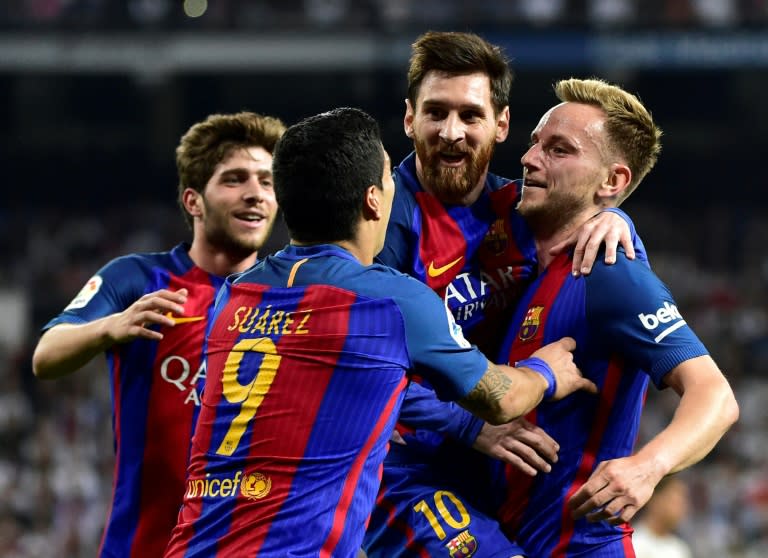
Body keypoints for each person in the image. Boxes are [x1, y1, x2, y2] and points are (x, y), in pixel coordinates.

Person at [162, 107, 597, 558]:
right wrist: (545, 372)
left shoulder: (231, 297)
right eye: (391, 178)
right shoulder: (390, 302)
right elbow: (501, 397)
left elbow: (338, 374)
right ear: (373, 199)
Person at [364, 31, 644, 557]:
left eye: (470, 115)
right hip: (407, 471)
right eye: (435, 113)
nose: (451, 133)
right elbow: (361, 363)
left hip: (505, 469)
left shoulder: (523, 209)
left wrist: (615, 216)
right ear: (408, 119)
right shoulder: (383, 223)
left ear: (501, 124)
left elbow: (589, 197)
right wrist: (471, 424)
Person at [496, 77, 738, 557]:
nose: (529, 159)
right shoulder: (520, 261)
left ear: (612, 181)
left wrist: (648, 466)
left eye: (559, 150)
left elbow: (716, 395)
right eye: (535, 143)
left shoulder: (609, 274)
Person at [31, 111, 287, 557]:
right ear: (193, 201)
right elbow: (46, 356)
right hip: (144, 547)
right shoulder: (138, 278)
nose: (255, 194)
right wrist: (111, 327)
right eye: (235, 179)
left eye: (267, 181)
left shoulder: (289, 297)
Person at [632, 476, 693, 558]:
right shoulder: (634, 543)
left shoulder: (680, 548)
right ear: (655, 500)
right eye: (675, 501)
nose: (682, 508)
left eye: (683, 502)